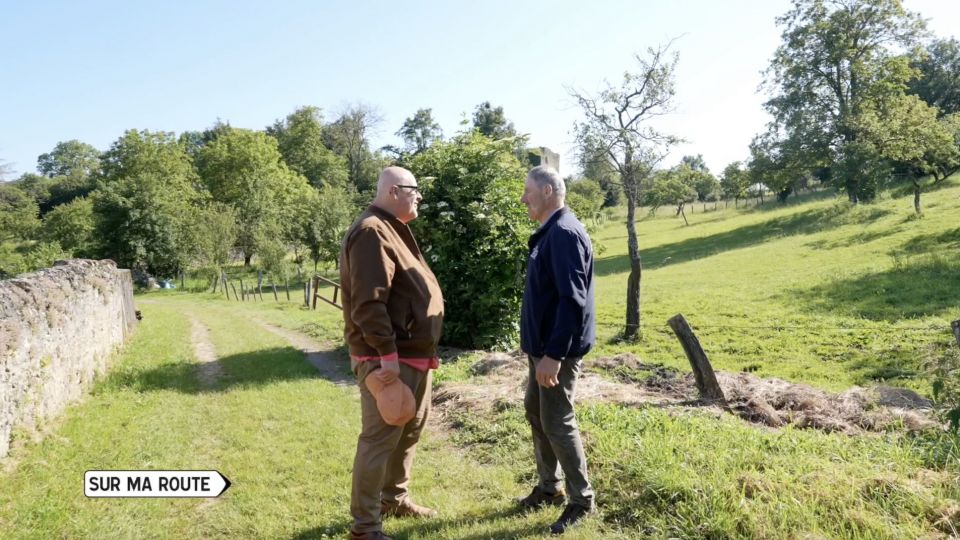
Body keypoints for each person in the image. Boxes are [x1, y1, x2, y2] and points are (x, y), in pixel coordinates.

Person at [340, 166, 444, 540]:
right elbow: (369, 304)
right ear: (394, 191)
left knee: (407, 433)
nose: (419, 197)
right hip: (389, 359)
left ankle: (393, 498)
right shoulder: (371, 231)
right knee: (379, 437)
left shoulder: (391, 227)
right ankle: (365, 527)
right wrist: (386, 357)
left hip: (411, 355)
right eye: (415, 190)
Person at [516, 165, 597, 535]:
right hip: (542, 351)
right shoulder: (549, 232)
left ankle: (582, 501)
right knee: (536, 411)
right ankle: (549, 488)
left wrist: (553, 355)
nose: (523, 198)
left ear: (548, 190)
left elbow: (571, 301)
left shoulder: (564, 233)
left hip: (555, 353)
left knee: (557, 420)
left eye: (527, 191)